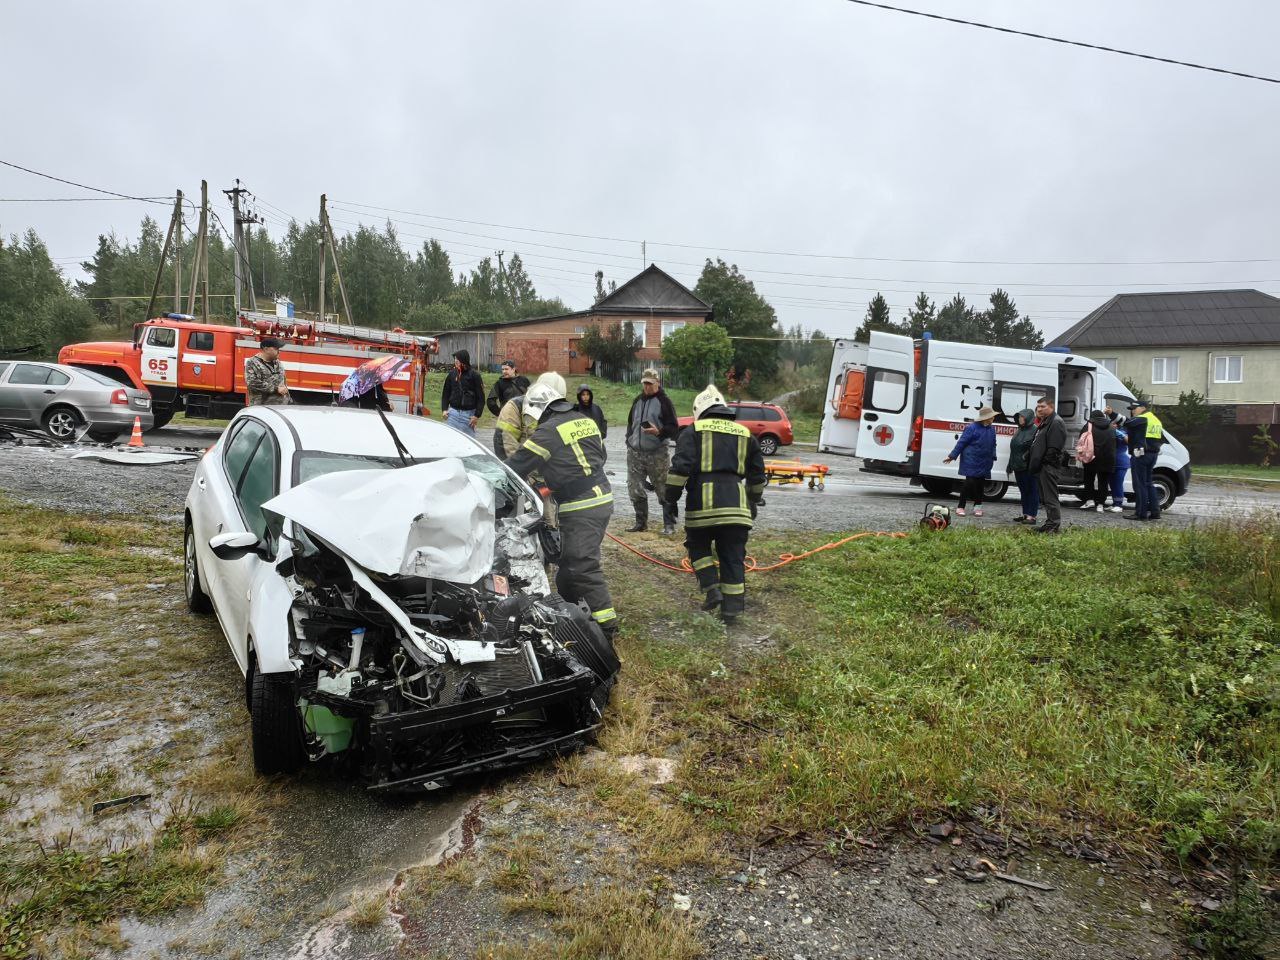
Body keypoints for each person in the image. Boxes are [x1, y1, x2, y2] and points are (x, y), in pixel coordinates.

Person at [504, 379, 616, 636]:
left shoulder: (548, 431)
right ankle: (575, 617)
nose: (533, 424)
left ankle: (606, 628)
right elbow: (600, 456)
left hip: (582, 505)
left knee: (582, 565)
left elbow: (517, 465)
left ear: (538, 408)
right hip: (601, 498)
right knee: (567, 570)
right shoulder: (585, 420)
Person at [665, 385, 766, 624]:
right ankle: (731, 614)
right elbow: (758, 476)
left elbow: (680, 469)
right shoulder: (745, 435)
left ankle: (711, 588)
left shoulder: (694, 430)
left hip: (703, 505)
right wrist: (752, 500)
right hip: (737, 508)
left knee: (697, 545)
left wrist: (670, 499)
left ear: (700, 410)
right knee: (733, 558)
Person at [625, 368, 679, 534]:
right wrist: (629, 439)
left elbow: (674, 428)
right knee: (634, 489)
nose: (647, 387)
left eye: (650, 383)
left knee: (663, 489)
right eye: (644, 383)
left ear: (657, 383)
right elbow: (630, 423)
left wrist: (659, 432)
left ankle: (669, 525)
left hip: (657, 453)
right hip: (635, 453)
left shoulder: (664, 402)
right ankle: (641, 523)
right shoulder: (637, 401)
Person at [495, 372, 566, 462]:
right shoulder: (515, 407)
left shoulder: (560, 410)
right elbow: (506, 445)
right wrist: (522, 471)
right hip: (523, 469)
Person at [944, 406, 997, 517]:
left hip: (984, 461)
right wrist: (952, 456)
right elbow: (961, 442)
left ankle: (978, 506)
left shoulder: (992, 429)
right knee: (969, 483)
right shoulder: (971, 427)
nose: (993, 418)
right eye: (992, 416)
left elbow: (993, 444)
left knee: (980, 484)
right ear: (985, 418)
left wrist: (993, 456)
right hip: (971, 459)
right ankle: (961, 506)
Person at [1028, 395, 1066, 534]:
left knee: (1050, 497)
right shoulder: (1046, 421)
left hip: (1048, 466)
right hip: (1042, 466)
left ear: (1051, 407)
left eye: (1043, 406)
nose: (1040, 409)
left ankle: (1054, 525)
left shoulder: (1056, 422)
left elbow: (1054, 448)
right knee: (1044, 497)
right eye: (1038, 407)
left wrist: (1044, 463)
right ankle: (1049, 523)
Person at [1125, 399, 1165, 522]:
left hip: (1141, 455)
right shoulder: (1155, 420)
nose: (1132, 411)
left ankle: (1141, 514)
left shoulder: (1143, 419)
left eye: (1134, 408)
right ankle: (1155, 512)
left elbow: (1127, 423)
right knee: (1148, 483)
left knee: (1140, 484)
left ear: (1142, 408)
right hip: (1153, 455)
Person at [486, 359, 530, 449]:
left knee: (525, 443)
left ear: (513, 369)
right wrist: (500, 413)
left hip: (525, 419)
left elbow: (532, 396)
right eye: (502, 369)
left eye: (506, 369)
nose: (504, 372)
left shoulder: (524, 380)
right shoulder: (499, 383)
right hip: (508, 419)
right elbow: (490, 401)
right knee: (508, 444)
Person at [1077, 409, 1115, 512]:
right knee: (1103, 482)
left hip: (1091, 457)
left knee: (1089, 479)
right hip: (1107, 458)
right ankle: (1100, 505)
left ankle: (1090, 501)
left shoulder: (1088, 426)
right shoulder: (1111, 426)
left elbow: (1081, 439)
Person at [441, 349, 485, 436]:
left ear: (464, 360)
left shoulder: (475, 375)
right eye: (455, 359)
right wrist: (444, 409)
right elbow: (445, 393)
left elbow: (481, 398)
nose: (456, 361)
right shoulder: (452, 374)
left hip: (468, 416)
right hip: (453, 414)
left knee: (468, 442)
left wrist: (477, 415)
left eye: (458, 359)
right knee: (451, 441)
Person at [1007, 408, 1039, 524]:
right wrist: (1010, 464)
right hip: (1018, 466)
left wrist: (1025, 457)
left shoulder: (1035, 431)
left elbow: (1035, 449)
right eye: (1019, 417)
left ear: (1028, 418)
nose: (1020, 419)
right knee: (1023, 491)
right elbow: (1014, 449)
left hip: (1029, 467)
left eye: (1022, 417)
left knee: (1032, 491)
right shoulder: (1019, 430)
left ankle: (1032, 516)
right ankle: (1025, 514)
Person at [244, 337, 290, 406]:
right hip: (262, 408)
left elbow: (283, 381)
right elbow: (252, 384)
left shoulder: (277, 362)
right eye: (276, 349)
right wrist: (276, 388)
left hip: (280, 407)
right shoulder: (252, 363)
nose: (279, 351)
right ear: (266, 349)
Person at [1107, 411, 1130, 512]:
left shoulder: (1123, 432)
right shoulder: (1110, 433)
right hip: (1112, 462)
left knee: (1118, 483)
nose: (1113, 424)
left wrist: (1116, 432)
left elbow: (1127, 440)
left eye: (1114, 423)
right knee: (1112, 483)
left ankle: (1119, 505)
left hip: (1121, 462)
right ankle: (1114, 503)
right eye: (1111, 423)